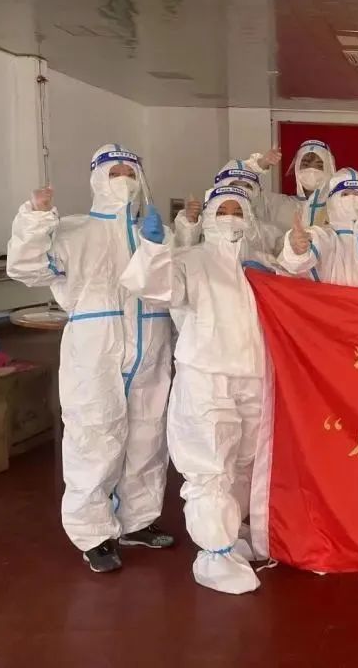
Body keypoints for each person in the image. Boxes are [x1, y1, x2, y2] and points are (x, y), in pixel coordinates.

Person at [6, 144, 174, 573]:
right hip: (96, 345)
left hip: (151, 340)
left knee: (148, 435)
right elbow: (26, 269)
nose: (124, 179)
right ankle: (94, 533)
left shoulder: (155, 230)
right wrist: (35, 218)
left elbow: (173, 287)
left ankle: (138, 520)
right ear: (97, 177)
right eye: (115, 171)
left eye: (130, 172)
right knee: (95, 434)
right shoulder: (74, 230)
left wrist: (163, 245)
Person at [120, 181, 278, 595]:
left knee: (244, 462)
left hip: (253, 375)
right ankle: (214, 553)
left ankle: (232, 532)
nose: (231, 218)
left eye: (238, 211)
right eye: (222, 210)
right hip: (206, 377)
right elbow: (155, 289)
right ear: (207, 216)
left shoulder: (259, 265)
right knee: (210, 466)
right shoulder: (190, 260)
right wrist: (153, 249)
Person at [279, 168, 358, 290]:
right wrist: (295, 249)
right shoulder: (321, 237)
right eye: (345, 194)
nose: (352, 198)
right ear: (332, 201)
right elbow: (294, 268)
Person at [173, 156, 284, 253]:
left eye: (247, 186)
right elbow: (184, 253)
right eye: (234, 184)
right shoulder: (205, 225)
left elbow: (283, 256)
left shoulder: (265, 230)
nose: (241, 190)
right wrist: (190, 225)